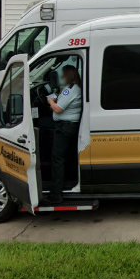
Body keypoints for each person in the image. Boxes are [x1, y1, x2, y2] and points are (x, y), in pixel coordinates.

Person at [44, 64, 82, 204]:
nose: (62, 77)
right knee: (66, 157)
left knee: (57, 159)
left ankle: (56, 193)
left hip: (64, 127)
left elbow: (58, 109)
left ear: (68, 75)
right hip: (69, 126)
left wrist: (50, 100)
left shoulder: (72, 89)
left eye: (64, 75)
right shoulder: (73, 88)